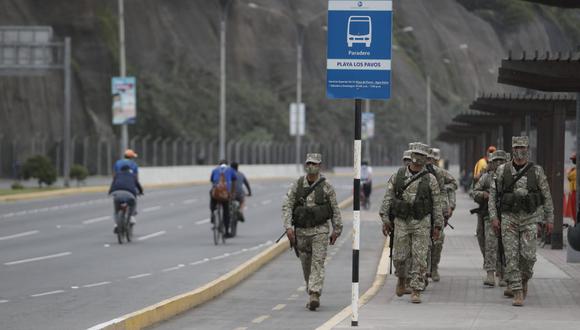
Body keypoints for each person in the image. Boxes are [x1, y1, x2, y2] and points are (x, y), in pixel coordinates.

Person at [489, 136, 554, 306]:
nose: (520, 150)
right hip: (509, 218)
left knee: (528, 256)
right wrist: (494, 218)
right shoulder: (502, 170)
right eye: (517, 147)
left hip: (530, 218)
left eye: (523, 147)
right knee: (511, 256)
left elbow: (546, 196)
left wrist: (549, 219)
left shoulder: (537, 171)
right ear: (512, 149)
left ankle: (524, 279)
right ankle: (517, 291)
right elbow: (493, 196)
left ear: (528, 149)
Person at [380, 142, 443, 304]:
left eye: (422, 156)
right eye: (415, 154)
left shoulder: (430, 179)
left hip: (422, 221)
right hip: (401, 222)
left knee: (420, 257)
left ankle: (416, 289)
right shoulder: (398, 176)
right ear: (410, 155)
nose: (417, 159)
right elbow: (388, 198)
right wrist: (385, 219)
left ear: (426, 159)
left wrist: (437, 226)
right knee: (400, 257)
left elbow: (437, 203)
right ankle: (401, 278)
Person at [282, 153, 342, 311]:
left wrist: (337, 228)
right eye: (308, 163)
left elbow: (335, 209)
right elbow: (287, 205)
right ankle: (311, 289)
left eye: (314, 164)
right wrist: (288, 227)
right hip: (301, 232)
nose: (311, 166)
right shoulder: (298, 185)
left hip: (320, 231)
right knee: (306, 264)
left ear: (320, 166)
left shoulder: (326, 186)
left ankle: (314, 293)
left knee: (318, 262)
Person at [471, 150, 508, 287]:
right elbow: (474, 192)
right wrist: (484, 195)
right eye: (495, 161)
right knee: (490, 244)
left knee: (505, 245)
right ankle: (490, 274)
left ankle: (504, 274)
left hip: (507, 216)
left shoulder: (510, 177)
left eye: (501, 161)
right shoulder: (486, 177)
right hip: (488, 215)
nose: (498, 164)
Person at [426, 147, 457, 282]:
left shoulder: (441, 173)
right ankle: (423, 271)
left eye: (433, 160)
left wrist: (449, 205)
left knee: (437, 242)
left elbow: (454, 184)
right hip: (422, 213)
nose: (431, 162)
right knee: (423, 243)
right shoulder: (418, 172)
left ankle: (433, 268)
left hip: (438, 212)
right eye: (429, 159)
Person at [108, 165, 143, 233]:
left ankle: (116, 224)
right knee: (133, 203)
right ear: (129, 170)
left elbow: (112, 185)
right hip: (129, 194)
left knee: (116, 210)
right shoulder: (133, 175)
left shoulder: (117, 175)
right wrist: (141, 192)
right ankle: (131, 217)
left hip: (117, 193)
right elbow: (138, 185)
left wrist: (110, 192)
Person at [210, 160, 237, 238]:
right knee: (226, 211)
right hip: (225, 194)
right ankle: (227, 231)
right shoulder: (230, 170)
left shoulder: (215, 170)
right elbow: (234, 180)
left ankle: (213, 213)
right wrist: (232, 193)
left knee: (212, 198)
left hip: (216, 193)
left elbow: (212, 180)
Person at [567, 153, 577, 224]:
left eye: (574, 159)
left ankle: (576, 223)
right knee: (573, 210)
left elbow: (570, 176)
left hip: (576, 192)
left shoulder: (576, 171)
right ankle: (575, 223)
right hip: (573, 191)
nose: (573, 161)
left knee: (575, 210)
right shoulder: (575, 169)